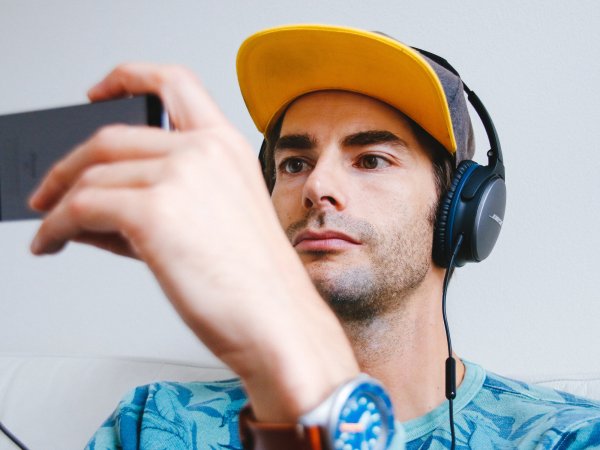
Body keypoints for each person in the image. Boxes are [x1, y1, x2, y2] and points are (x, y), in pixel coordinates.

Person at [29, 25, 600, 449]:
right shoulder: (156, 425)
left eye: (371, 159)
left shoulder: (568, 436)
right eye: (294, 163)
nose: (318, 186)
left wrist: (319, 403)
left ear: (462, 212)